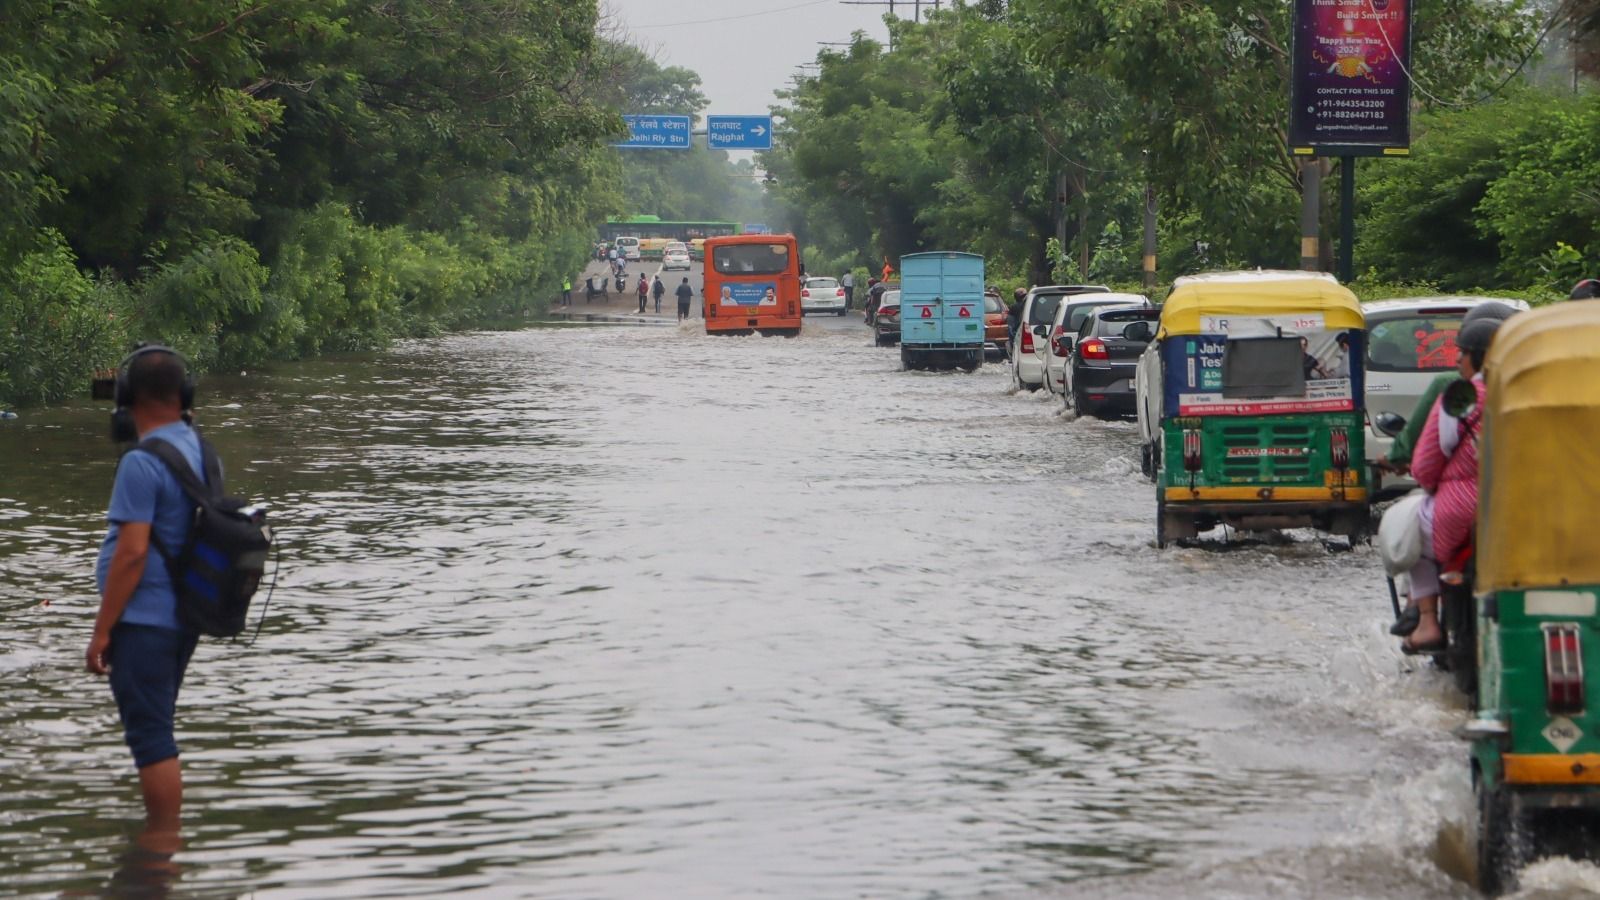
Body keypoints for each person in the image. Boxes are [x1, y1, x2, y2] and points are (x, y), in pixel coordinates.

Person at [87, 348, 207, 851]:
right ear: (184, 397)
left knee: (151, 739)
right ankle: (161, 852)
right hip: (181, 618)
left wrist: (102, 628)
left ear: (127, 398)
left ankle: (159, 855)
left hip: (145, 621)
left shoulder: (141, 461)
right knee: (157, 730)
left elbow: (132, 554)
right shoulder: (195, 446)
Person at [1400, 310, 1512, 653]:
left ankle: (1427, 622)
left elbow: (1425, 464)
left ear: (1476, 357)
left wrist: (1433, 485)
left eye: (1462, 353)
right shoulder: (1525, 392)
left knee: (1408, 529)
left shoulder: (1461, 395)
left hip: (1460, 512)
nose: (1458, 359)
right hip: (1519, 511)